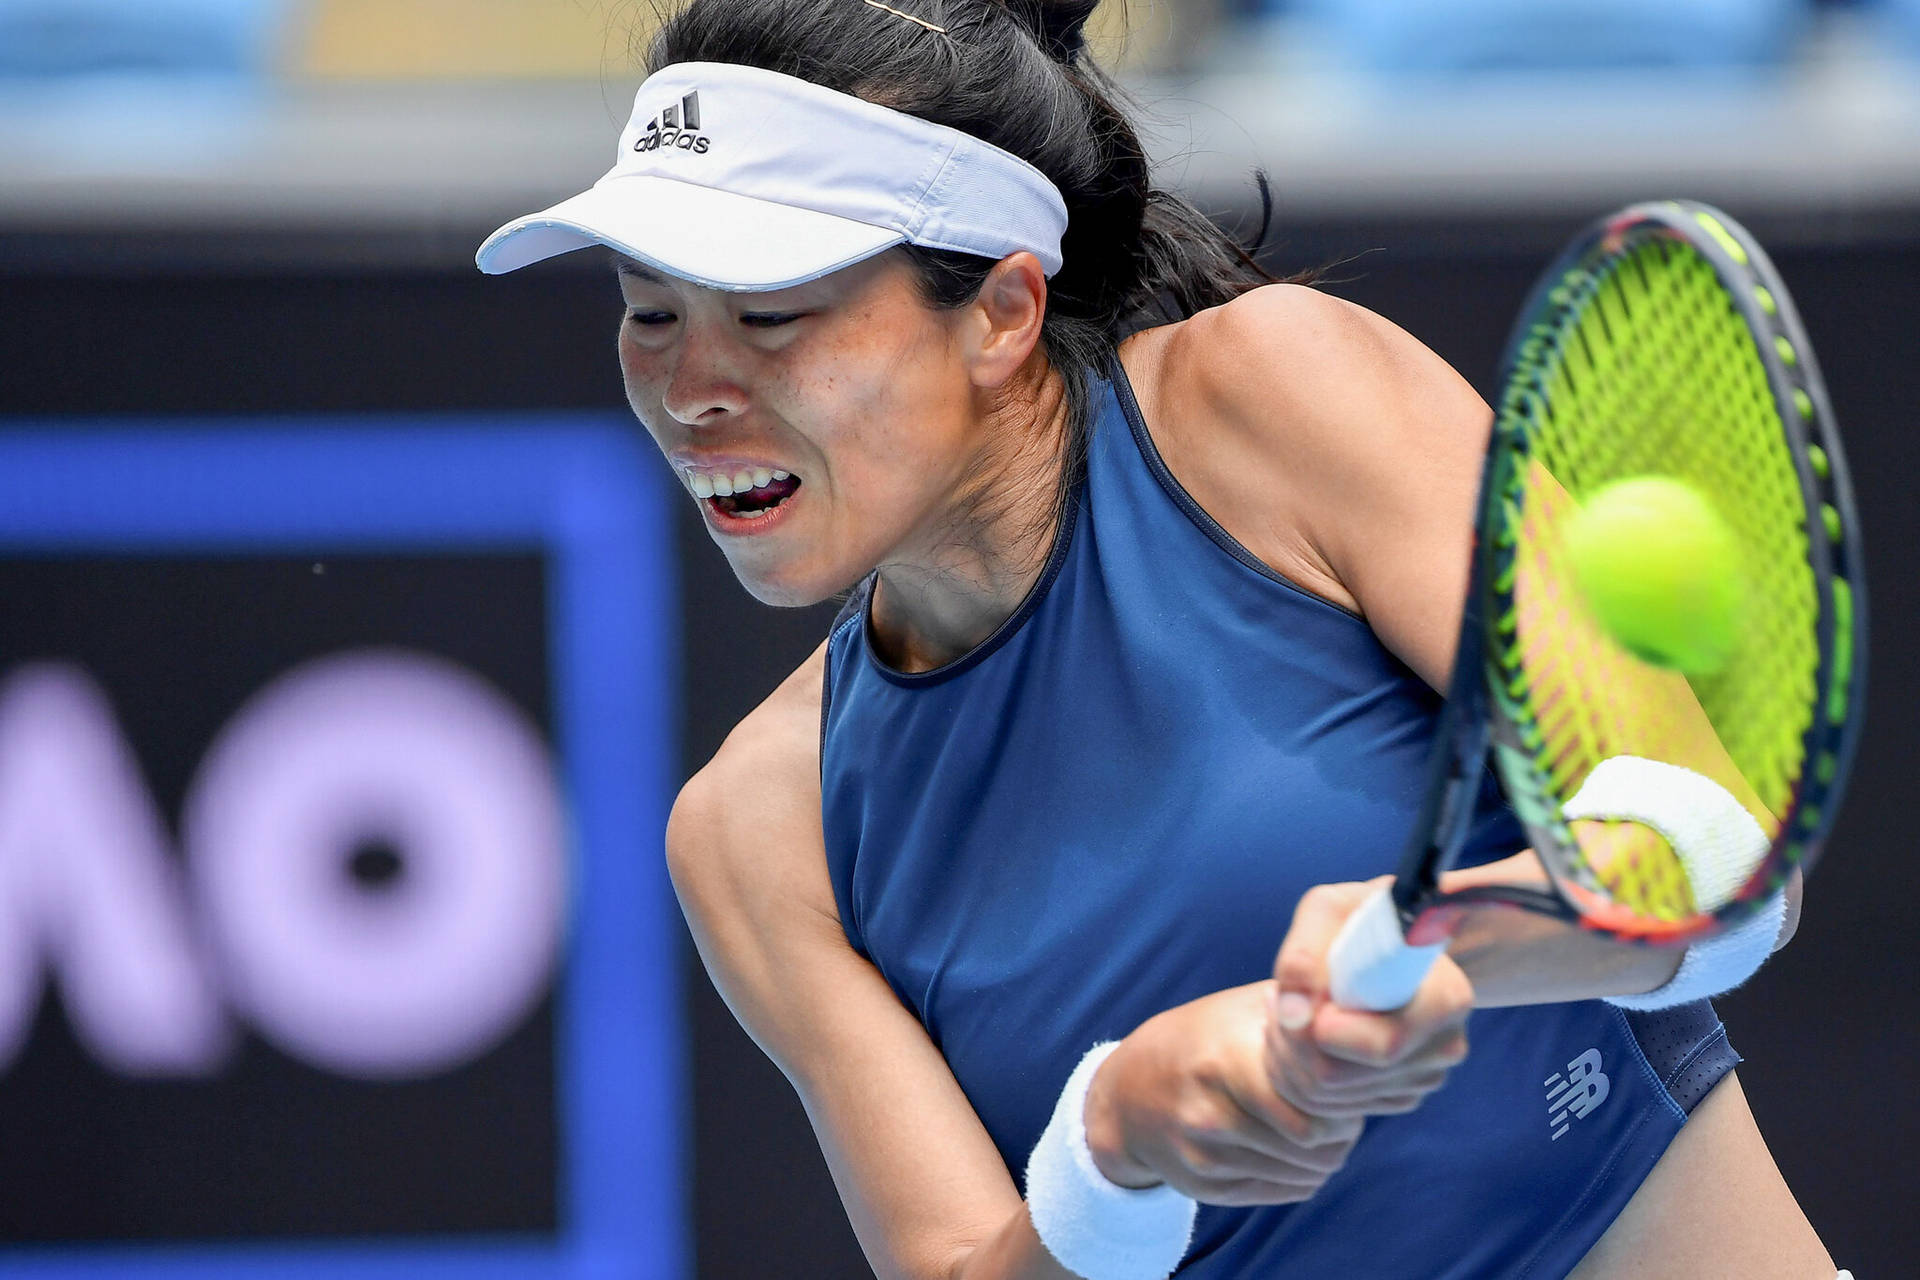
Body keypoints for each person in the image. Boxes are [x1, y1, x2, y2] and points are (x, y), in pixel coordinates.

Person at [477, 1, 1842, 1275]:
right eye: (649, 313)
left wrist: (1442, 937)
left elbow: (1727, 858)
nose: (694, 390)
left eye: (770, 315)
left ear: (1003, 311)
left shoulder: (1278, 395)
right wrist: (1112, 1147)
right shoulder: (751, 826)